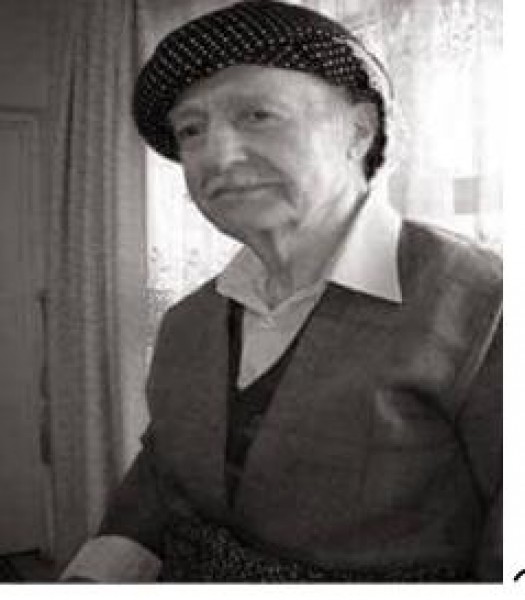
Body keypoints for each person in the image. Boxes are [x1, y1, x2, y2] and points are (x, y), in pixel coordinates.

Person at [62, 0, 502, 583]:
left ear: (359, 130)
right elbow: (162, 474)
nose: (216, 156)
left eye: (257, 115)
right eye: (191, 130)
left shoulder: (485, 305)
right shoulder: (188, 321)